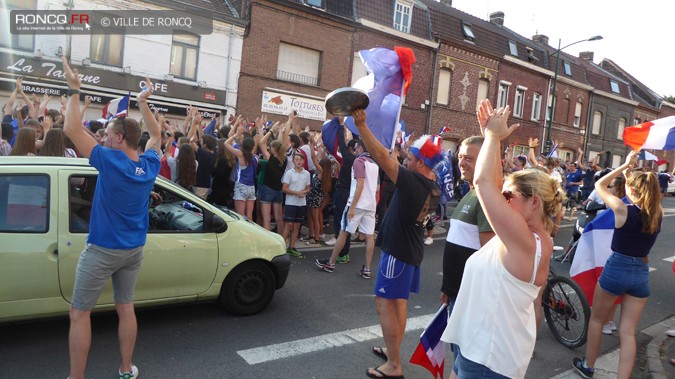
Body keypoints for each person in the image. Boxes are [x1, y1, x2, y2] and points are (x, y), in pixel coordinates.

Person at [442, 101, 564, 379]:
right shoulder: (530, 235)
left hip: (488, 359)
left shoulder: (524, 241)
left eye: (508, 197)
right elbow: (493, 185)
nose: (502, 200)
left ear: (533, 202)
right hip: (479, 349)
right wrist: (489, 139)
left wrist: (494, 137)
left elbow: (484, 184)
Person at [61, 56, 161, 379]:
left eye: (107, 135)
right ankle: (125, 369)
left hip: (103, 250)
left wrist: (74, 90)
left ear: (119, 139)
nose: (103, 139)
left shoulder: (110, 162)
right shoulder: (148, 167)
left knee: (79, 314)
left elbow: (71, 129)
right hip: (134, 251)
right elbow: (156, 136)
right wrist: (144, 102)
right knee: (125, 308)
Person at [350, 109, 440, 379]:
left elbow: (380, 157)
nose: (406, 161)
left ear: (422, 163)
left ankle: (394, 366)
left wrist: (362, 126)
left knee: (385, 303)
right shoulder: (431, 183)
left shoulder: (414, 181)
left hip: (399, 252)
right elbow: (389, 158)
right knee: (398, 303)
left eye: (411, 159)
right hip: (410, 250)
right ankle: (394, 352)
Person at [573, 150, 663, 379]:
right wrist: (634, 174)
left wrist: (624, 166)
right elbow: (644, 192)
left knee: (597, 319)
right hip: (641, 272)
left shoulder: (623, 210)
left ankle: (589, 366)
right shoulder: (657, 213)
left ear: (632, 190)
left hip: (617, 268)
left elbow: (600, 184)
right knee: (628, 331)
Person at [438, 136, 494, 377]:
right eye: (460, 157)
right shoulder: (470, 193)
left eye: (469, 158)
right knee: (457, 358)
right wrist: (447, 288)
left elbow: (489, 255)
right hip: (456, 293)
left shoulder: (484, 196)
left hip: (470, 298)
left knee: (464, 358)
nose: (462, 162)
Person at [315, 138, 379, 279]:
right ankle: (367, 269)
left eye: (356, 148)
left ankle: (331, 263)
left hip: (357, 204)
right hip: (370, 205)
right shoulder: (374, 164)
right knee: (369, 236)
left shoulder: (359, 162)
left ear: (361, 148)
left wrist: (353, 207)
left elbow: (360, 184)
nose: (355, 150)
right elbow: (376, 188)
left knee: (343, 232)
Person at [281, 153, 311, 258]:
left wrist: (305, 192)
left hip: (301, 203)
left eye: (300, 160)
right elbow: (284, 188)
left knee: (297, 226)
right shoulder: (289, 173)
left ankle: (292, 247)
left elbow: (308, 187)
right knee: (288, 224)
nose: (298, 161)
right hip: (291, 202)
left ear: (303, 161)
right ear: (293, 161)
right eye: (296, 159)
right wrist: (296, 193)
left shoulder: (307, 174)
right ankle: (281, 247)